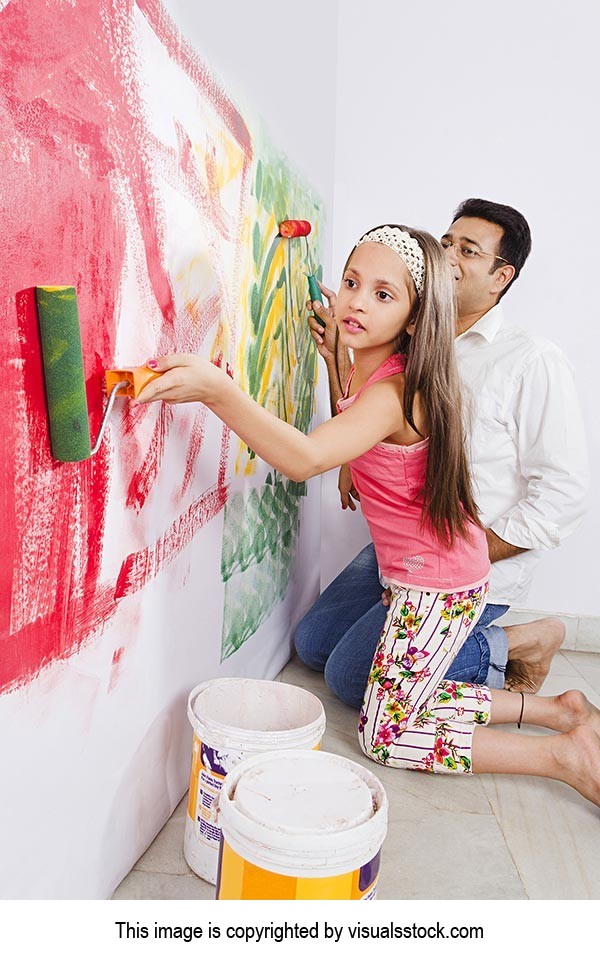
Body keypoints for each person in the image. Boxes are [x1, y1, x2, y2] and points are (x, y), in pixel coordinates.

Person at [137, 223, 600, 801]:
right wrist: (336, 358)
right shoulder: (368, 370)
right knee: (378, 680)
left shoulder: (395, 390)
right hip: (409, 573)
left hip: (438, 584)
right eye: (352, 282)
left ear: (413, 317)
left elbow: (307, 458)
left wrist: (218, 391)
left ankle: (562, 756)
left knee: (386, 734)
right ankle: (558, 710)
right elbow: (351, 434)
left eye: (384, 294)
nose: (355, 300)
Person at [297, 199, 588, 705]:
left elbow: (563, 496)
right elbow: (367, 419)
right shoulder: (408, 332)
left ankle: (516, 641)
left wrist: (471, 549)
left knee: (348, 679)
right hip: (400, 548)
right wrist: (337, 361)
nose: (449, 256)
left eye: (469, 251)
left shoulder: (531, 360)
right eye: (447, 242)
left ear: (502, 277)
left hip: (464, 565)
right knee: (313, 646)